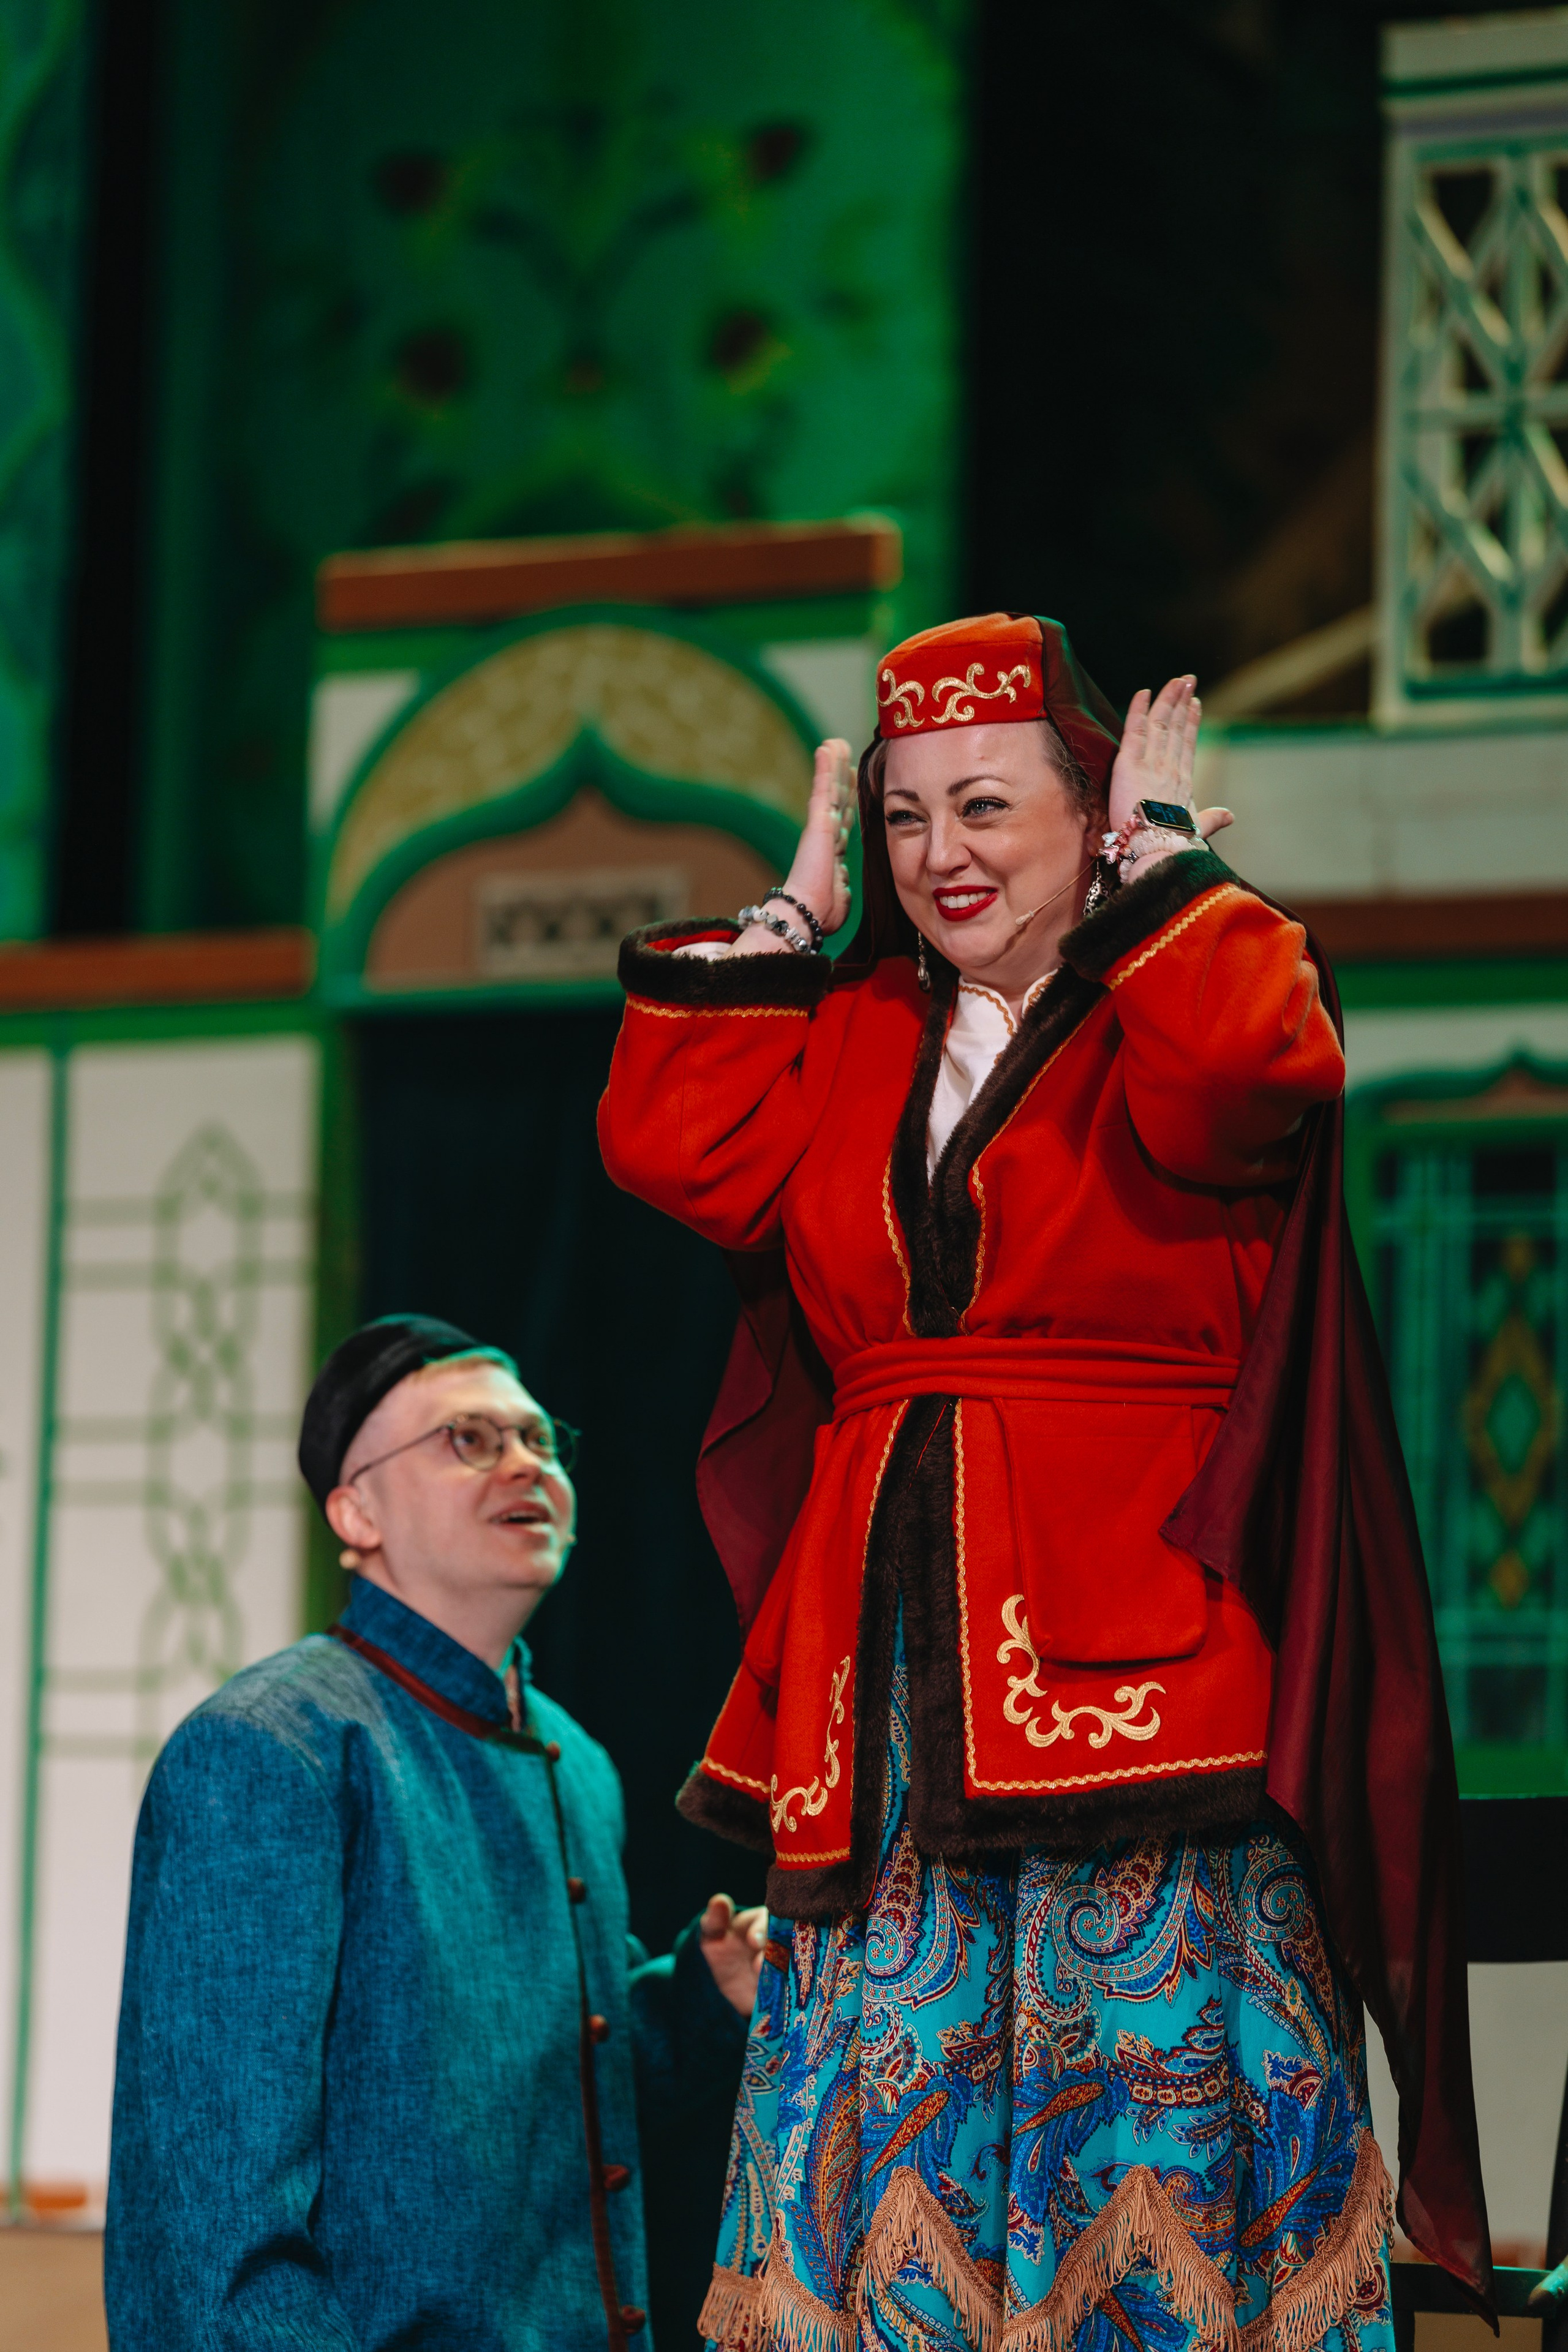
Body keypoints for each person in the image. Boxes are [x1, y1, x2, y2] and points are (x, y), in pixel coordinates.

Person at [597, 614, 1491, 2352]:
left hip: (1141, 1657)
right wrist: (793, 919)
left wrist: (1162, 881)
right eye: (911, 815)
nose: (944, 856)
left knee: (1150, 2109)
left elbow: (1252, 1079)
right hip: (890, 1694)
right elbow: (671, 1148)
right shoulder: (857, 1027)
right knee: (886, 2106)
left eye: (990, 808)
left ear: (1094, 816)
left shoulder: (1176, 984)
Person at [105, 1313, 761, 2352]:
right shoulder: (274, 1748)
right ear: (355, 1510)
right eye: (470, 1440)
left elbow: (541, 2088)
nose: (524, 1465)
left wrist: (699, 1997)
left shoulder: (575, 1760)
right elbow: (215, 2227)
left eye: (542, 1441)